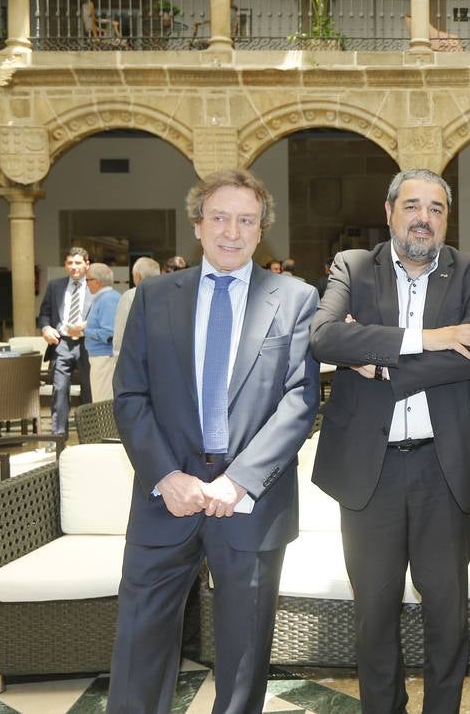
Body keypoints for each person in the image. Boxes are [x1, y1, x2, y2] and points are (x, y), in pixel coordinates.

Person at [107, 169, 320, 714]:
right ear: (198, 226)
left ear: (261, 230)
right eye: (220, 218)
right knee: (139, 647)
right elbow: (130, 395)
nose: (232, 231)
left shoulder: (294, 298)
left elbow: (299, 401)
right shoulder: (153, 297)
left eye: (246, 220)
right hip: (165, 497)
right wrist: (166, 476)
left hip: (249, 502)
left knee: (244, 654)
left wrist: (240, 481)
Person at [310, 169, 470, 714]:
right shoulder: (354, 267)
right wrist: (428, 340)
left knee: (447, 613)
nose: (424, 218)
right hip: (371, 472)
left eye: (436, 209)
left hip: (445, 469)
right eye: (412, 206)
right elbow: (324, 337)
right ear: (389, 211)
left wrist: (379, 359)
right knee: (373, 613)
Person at [38, 247, 93, 437]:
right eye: (70, 263)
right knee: (59, 389)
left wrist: (86, 326)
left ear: (87, 264)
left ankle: (90, 437)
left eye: (78, 263)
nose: (74, 267)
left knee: (89, 389)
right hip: (61, 343)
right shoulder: (55, 286)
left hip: (88, 344)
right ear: (65, 265)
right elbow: (44, 314)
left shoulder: (95, 286)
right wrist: (46, 328)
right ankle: (58, 438)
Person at [83, 263, 121, 402]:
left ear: (97, 281)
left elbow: (109, 334)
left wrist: (84, 330)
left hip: (105, 357)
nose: (86, 284)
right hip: (100, 357)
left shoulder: (107, 299)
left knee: (102, 402)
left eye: (87, 280)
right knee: (101, 400)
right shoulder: (103, 298)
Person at [114, 256, 160, 357]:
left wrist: (118, 355)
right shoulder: (165, 294)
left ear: (138, 276)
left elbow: (121, 329)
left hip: (135, 355)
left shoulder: (130, 295)